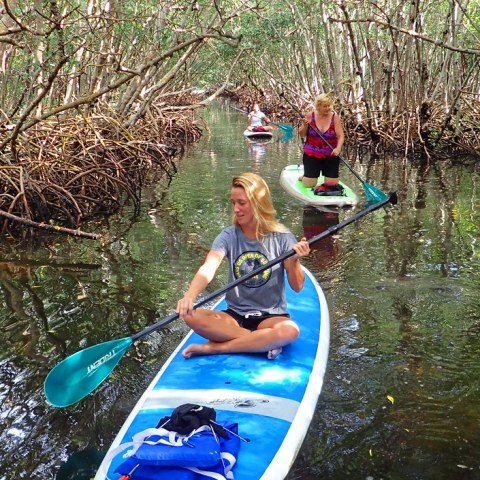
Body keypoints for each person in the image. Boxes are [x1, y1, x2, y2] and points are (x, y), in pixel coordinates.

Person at [176, 172, 310, 360]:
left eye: (242, 203)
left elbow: (297, 287)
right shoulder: (229, 235)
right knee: (190, 315)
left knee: (290, 331)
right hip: (234, 317)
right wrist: (189, 296)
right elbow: (209, 266)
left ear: (258, 204)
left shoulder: (282, 237)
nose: (236, 209)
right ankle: (260, 343)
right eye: (234, 203)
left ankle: (216, 348)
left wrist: (294, 260)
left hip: (270, 317)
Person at [298, 93, 345, 195]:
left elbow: (341, 136)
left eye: (329, 105)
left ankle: (313, 176)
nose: (328, 108)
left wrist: (338, 148)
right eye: (325, 106)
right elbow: (302, 134)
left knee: (331, 186)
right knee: (309, 185)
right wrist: (304, 125)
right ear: (318, 106)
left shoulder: (334, 117)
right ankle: (305, 177)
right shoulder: (310, 115)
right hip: (312, 154)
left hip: (331, 155)